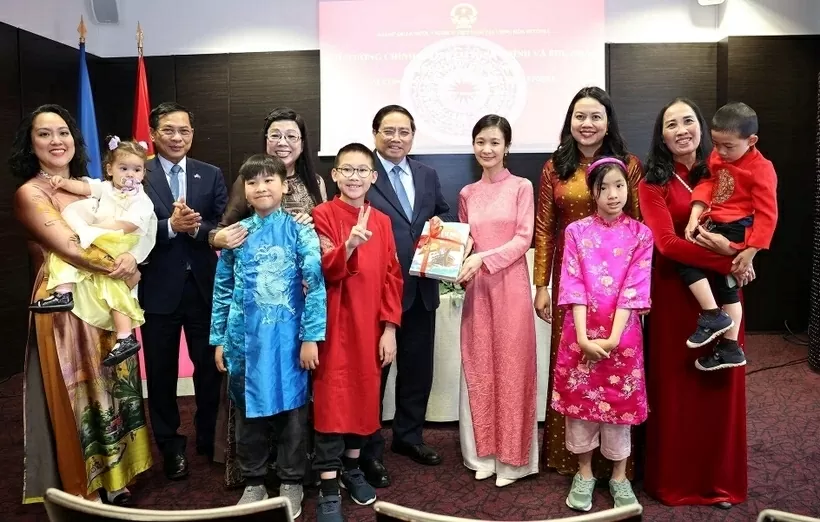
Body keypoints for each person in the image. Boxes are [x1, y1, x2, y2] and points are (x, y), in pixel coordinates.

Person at [11, 104, 152, 505]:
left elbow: (133, 231)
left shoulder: (95, 186)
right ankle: (84, 485)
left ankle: (118, 477)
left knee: (114, 385)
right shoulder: (32, 193)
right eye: (44, 134)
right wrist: (122, 268)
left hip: (107, 302)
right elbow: (70, 248)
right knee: (80, 390)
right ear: (30, 143)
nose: (56, 141)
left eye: (63, 132)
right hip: (63, 306)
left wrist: (134, 262)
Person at [638, 97, 754, 508]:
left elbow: (749, 220)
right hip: (675, 295)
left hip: (722, 289)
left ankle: (719, 482)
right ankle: (674, 481)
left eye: (688, 120)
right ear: (662, 135)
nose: (681, 129)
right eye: (671, 124)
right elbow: (666, 244)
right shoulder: (651, 182)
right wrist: (726, 257)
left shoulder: (727, 170)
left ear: (702, 127)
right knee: (676, 385)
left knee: (720, 382)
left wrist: (743, 253)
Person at [209, 107, 326, 489]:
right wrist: (219, 341)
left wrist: (311, 337)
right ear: (244, 189)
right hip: (245, 341)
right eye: (253, 183)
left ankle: (292, 481)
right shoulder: (237, 234)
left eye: (268, 182)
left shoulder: (300, 231)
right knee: (247, 413)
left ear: (284, 186)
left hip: (290, 340)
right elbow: (223, 289)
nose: (261, 189)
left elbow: (315, 286)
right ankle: (254, 481)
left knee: (293, 413)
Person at [532, 87, 643, 478]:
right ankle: (574, 462)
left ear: (608, 121)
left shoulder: (628, 165)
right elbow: (544, 228)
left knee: (614, 366)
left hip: (617, 286)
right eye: (580, 116)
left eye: (596, 116)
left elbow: (639, 225)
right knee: (575, 363)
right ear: (569, 121)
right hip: (572, 281)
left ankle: (616, 465)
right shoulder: (554, 167)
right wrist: (541, 284)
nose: (587, 124)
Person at [551, 158, 652, 512]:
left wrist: (610, 339)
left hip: (621, 338)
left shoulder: (641, 234)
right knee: (581, 408)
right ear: (593, 191)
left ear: (628, 188)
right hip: (579, 333)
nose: (613, 194)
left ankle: (620, 477)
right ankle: (584, 473)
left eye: (619, 186)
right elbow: (573, 284)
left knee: (619, 406)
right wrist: (581, 336)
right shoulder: (576, 232)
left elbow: (634, 289)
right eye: (604, 187)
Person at [310, 143, 403, 522]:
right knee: (333, 402)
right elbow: (323, 270)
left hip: (370, 327)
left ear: (373, 176)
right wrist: (348, 245)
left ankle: (352, 469)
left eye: (361, 171)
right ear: (334, 175)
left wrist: (390, 328)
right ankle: (328, 487)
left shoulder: (381, 220)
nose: (354, 177)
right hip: (333, 325)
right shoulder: (322, 215)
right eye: (346, 170)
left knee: (365, 401)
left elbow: (392, 278)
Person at [361, 105, 450, 487]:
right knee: (374, 373)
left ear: (413, 136)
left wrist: (440, 224)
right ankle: (367, 449)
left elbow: (442, 213)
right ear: (375, 133)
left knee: (416, 370)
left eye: (404, 131)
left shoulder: (427, 174)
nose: (396, 138)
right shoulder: (362, 173)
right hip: (377, 293)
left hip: (421, 289)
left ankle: (408, 437)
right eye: (388, 131)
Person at [139, 102, 228, 480]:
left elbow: (223, 222)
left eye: (185, 131)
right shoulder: (136, 173)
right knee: (160, 374)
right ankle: (170, 445)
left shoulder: (211, 174)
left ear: (193, 133)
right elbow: (127, 227)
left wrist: (195, 229)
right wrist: (170, 227)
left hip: (203, 290)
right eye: (169, 130)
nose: (177, 137)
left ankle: (208, 437)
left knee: (209, 371)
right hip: (158, 290)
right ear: (154, 134)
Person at [455, 115, 538, 487]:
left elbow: (524, 239)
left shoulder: (521, 187)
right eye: (480, 142)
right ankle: (484, 454)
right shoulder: (467, 193)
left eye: (494, 142)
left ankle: (514, 460)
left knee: (512, 368)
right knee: (480, 366)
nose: (487, 149)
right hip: (477, 290)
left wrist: (483, 258)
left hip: (511, 287)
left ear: (507, 146)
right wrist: (455, 257)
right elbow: (465, 241)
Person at [29, 136, 157, 367]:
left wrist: (94, 229)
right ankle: (64, 292)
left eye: (137, 169)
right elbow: (83, 187)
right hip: (101, 238)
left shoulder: (141, 198)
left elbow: (131, 225)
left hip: (119, 240)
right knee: (63, 255)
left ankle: (125, 336)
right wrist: (63, 183)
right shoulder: (105, 188)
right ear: (109, 169)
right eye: (124, 168)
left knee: (112, 281)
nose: (130, 174)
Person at [679, 102, 777, 370]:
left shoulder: (762, 168)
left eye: (728, 146)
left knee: (699, 267)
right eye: (716, 144)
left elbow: (768, 214)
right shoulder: (718, 157)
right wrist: (695, 215)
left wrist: (750, 251)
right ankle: (731, 348)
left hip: (736, 228)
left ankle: (714, 317)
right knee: (725, 281)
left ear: (752, 140)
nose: (720, 152)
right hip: (715, 221)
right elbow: (708, 183)